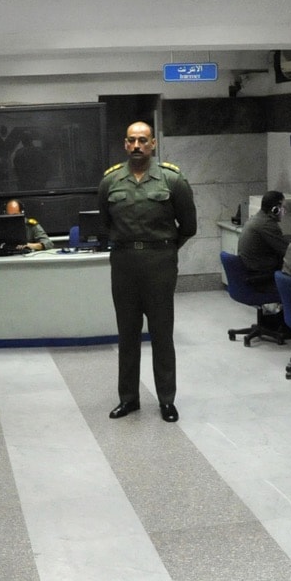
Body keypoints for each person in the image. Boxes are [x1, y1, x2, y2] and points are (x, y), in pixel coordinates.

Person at [98, 120, 197, 423]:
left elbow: (189, 227)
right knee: (127, 335)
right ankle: (128, 399)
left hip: (160, 264)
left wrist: (165, 250)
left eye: (143, 140)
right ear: (125, 144)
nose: (137, 146)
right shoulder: (110, 182)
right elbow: (104, 224)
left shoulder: (172, 180)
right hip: (124, 264)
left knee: (162, 335)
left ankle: (166, 400)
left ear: (153, 143)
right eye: (131, 140)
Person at [237, 190, 290, 291]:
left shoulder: (257, 219)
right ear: (275, 209)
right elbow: (288, 252)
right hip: (260, 276)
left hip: (251, 271)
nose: (285, 211)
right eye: (284, 207)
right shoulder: (267, 224)